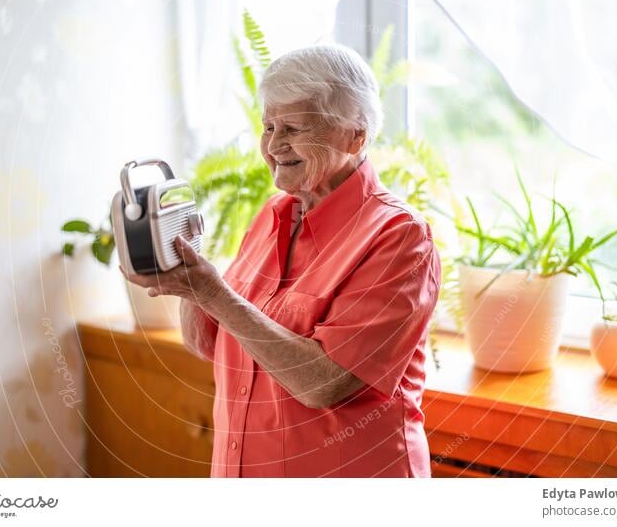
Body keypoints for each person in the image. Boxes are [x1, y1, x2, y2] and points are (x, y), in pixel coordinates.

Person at [122, 44, 441, 477]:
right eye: (268, 126)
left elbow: (325, 383)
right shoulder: (271, 216)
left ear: (355, 135)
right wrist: (188, 280)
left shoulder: (399, 237)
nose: (273, 146)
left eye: (292, 128)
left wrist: (214, 293)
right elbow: (210, 344)